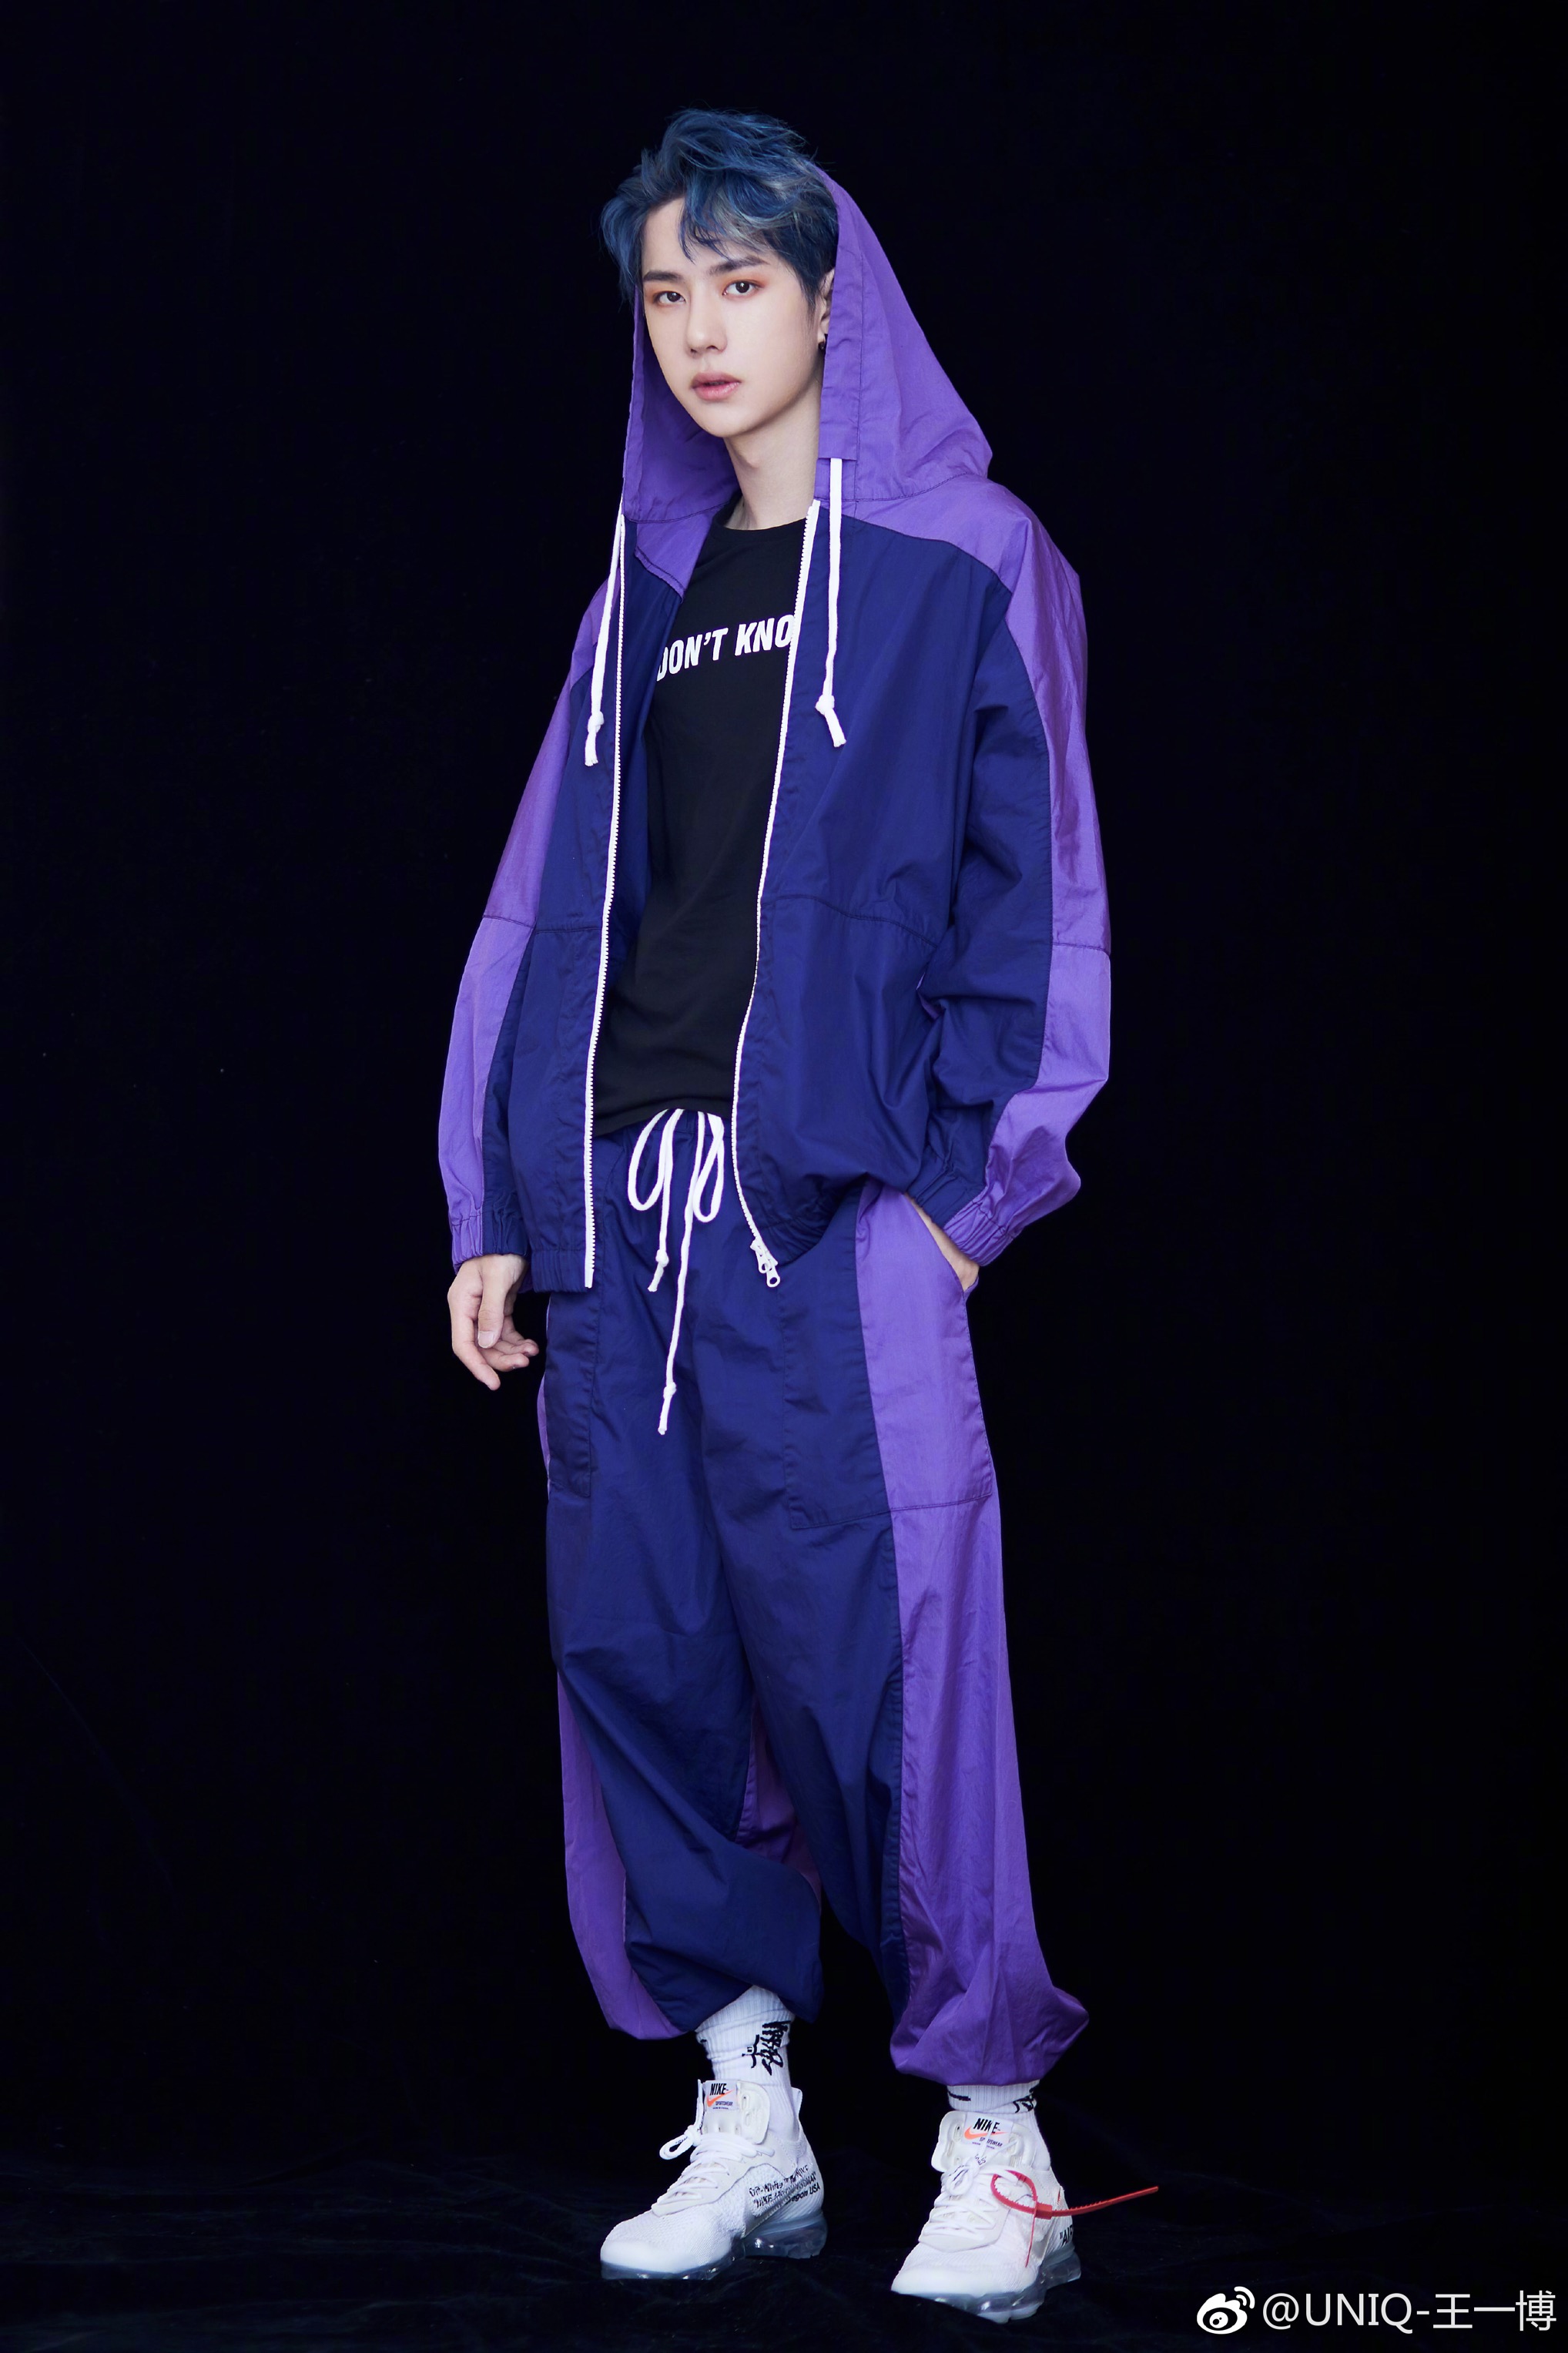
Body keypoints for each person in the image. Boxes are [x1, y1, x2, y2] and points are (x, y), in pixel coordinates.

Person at [439, 109, 1111, 2321]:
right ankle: (754, 2116)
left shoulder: (967, 559)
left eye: (740, 282)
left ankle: (995, 2143)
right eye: (666, 293)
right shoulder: (636, 599)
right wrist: (499, 1200)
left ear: (832, 299)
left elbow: (1043, 894)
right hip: (619, 1226)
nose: (701, 329)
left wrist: (962, 1204)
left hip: (836, 1225)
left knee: (888, 1677)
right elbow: (546, 913)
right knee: (640, 1656)